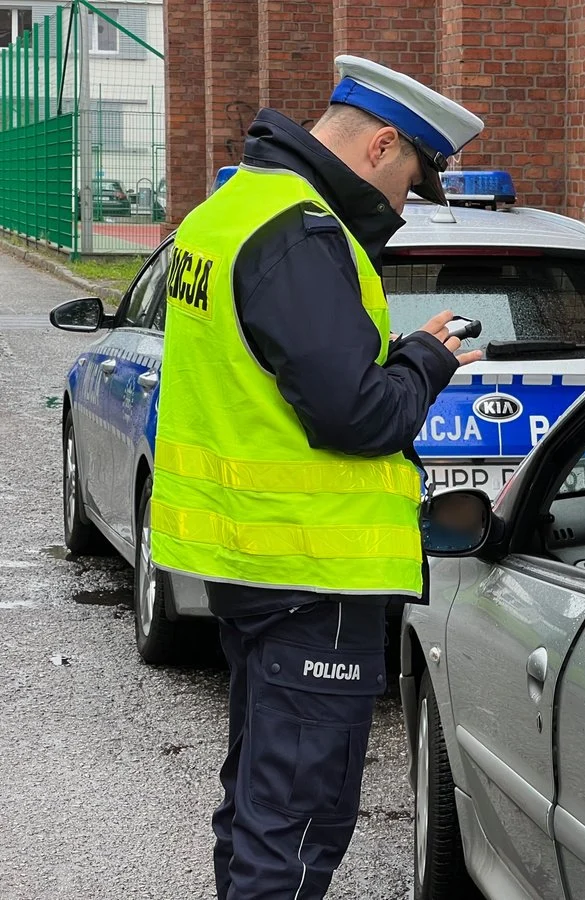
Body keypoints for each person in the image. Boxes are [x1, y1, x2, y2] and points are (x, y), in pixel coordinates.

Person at [150, 56, 485, 899]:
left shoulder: (227, 210)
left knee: (261, 809)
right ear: (379, 145)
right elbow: (360, 416)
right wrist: (426, 357)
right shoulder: (299, 232)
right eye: (411, 180)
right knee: (298, 824)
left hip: (248, 561)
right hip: (313, 575)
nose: (404, 206)